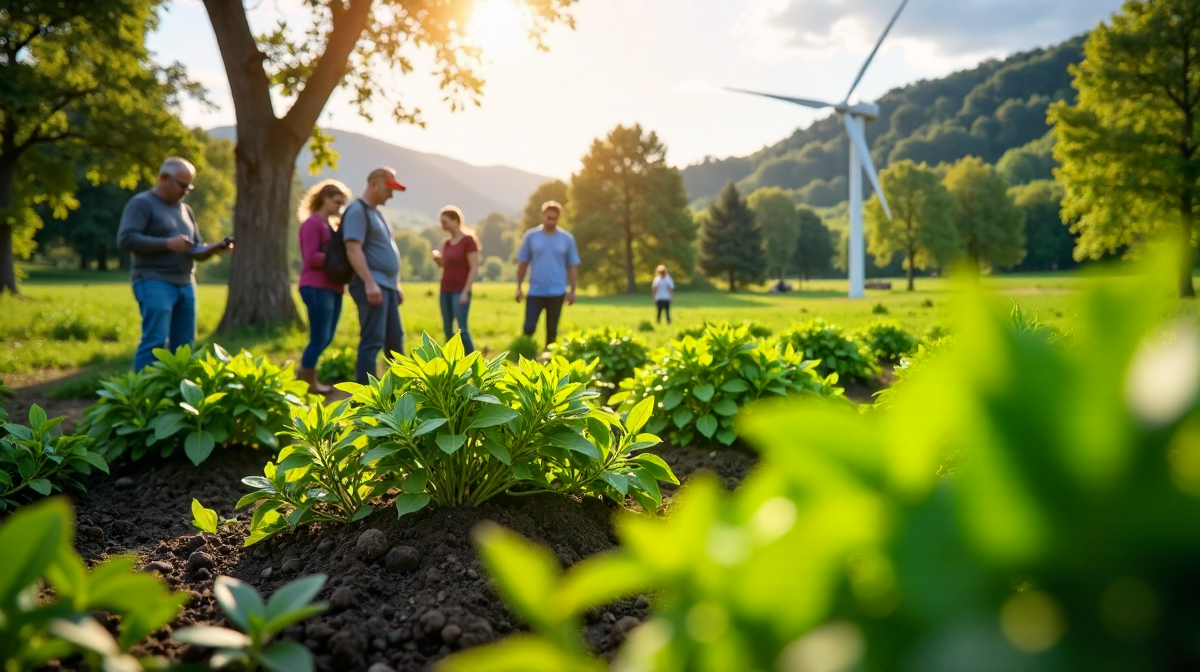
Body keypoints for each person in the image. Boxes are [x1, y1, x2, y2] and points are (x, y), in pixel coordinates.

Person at [118, 157, 232, 372]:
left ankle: (179, 398)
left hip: (186, 284)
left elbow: (194, 249)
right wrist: (167, 243)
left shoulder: (186, 210)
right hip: (154, 281)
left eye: (189, 186)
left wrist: (213, 249)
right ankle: (143, 397)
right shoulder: (142, 203)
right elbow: (126, 239)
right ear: (164, 178)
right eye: (182, 185)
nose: (186, 190)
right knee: (155, 342)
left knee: (185, 346)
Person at [344, 167, 407, 384]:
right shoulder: (357, 211)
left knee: (395, 342)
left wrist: (396, 284)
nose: (391, 194)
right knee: (372, 341)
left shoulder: (376, 213)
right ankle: (366, 398)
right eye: (388, 189)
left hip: (387, 286)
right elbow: (353, 248)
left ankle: (401, 394)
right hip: (372, 286)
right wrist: (369, 282)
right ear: (373, 184)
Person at [297, 179, 352, 393]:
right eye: (336, 202)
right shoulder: (311, 224)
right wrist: (337, 258)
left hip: (332, 287)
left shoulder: (328, 226)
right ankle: (307, 383)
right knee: (319, 337)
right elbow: (311, 257)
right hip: (316, 287)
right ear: (324, 199)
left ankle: (307, 378)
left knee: (326, 337)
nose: (339, 207)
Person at [515, 201, 580, 346]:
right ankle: (525, 352)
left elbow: (572, 266)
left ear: (559, 218)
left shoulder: (566, 238)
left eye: (554, 219)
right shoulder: (531, 236)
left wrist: (573, 290)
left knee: (552, 332)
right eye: (548, 218)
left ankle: (548, 362)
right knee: (529, 327)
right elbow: (523, 263)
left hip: (557, 291)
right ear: (543, 215)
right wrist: (518, 287)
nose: (551, 221)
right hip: (536, 291)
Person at [430, 205, 480, 354]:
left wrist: (466, 292)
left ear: (456, 221)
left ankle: (475, 364)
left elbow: (474, 268)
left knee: (462, 330)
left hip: (460, 291)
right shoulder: (446, 243)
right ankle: (454, 364)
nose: (442, 226)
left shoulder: (468, 241)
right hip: (445, 290)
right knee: (447, 330)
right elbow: (445, 266)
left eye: (445, 222)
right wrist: (437, 259)